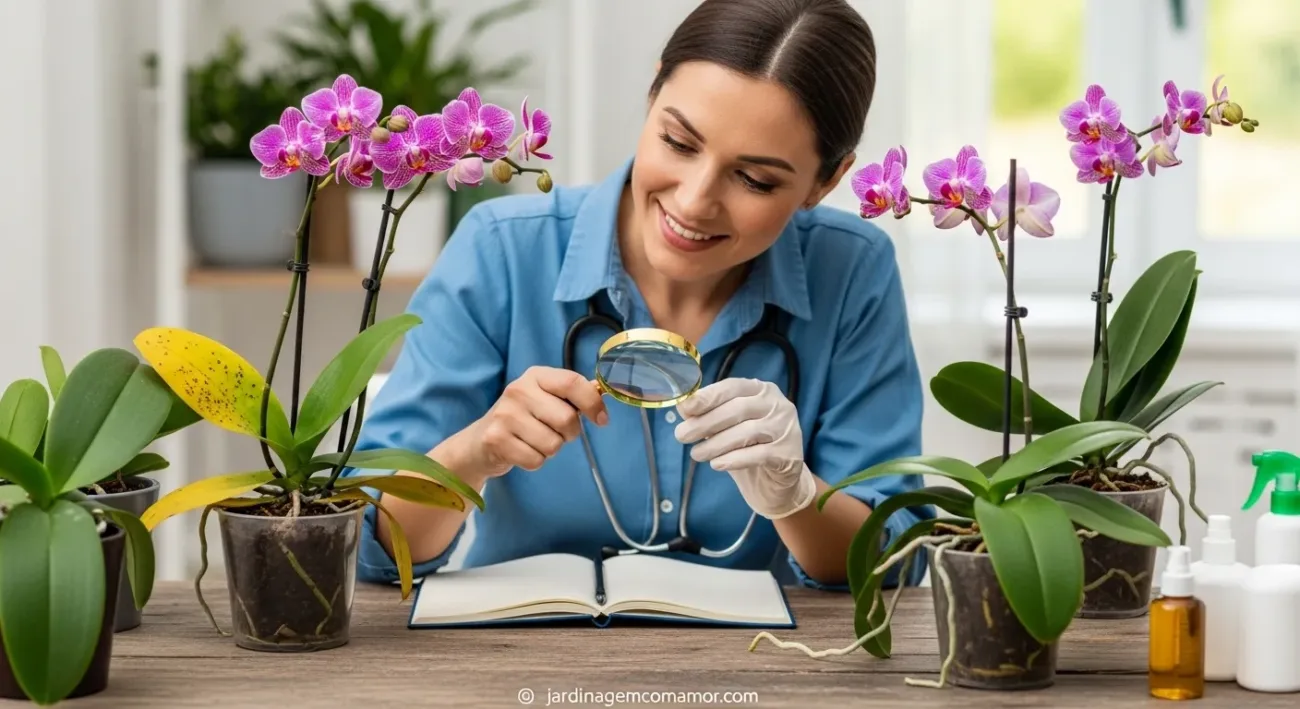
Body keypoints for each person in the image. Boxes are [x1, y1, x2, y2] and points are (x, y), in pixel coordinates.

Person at [344, 0, 934, 592]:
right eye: (679, 142)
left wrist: (796, 495)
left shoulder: (852, 268)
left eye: (755, 180)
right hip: (517, 662)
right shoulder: (501, 250)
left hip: (758, 669)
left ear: (825, 182)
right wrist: (471, 455)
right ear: (653, 92)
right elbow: (370, 544)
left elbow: (893, 561)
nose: (695, 200)